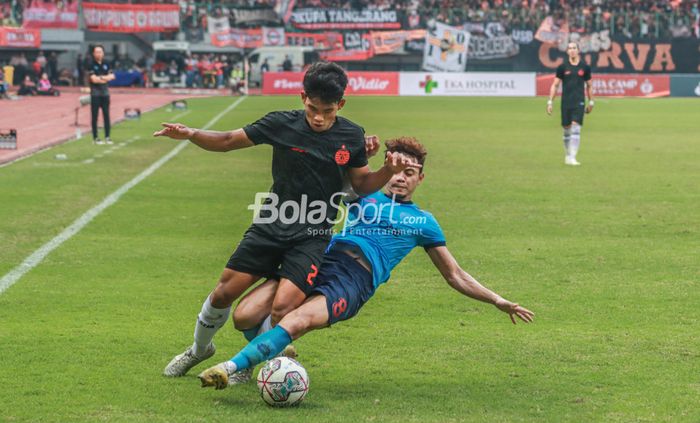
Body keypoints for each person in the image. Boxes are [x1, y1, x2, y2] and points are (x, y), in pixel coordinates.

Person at [197, 137, 535, 389]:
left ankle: (229, 369)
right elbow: (334, 165)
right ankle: (265, 357)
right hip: (320, 257)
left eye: (411, 172)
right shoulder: (364, 194)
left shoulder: (423, 222)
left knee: (297, 320)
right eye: (398, 170)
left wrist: (496, 299)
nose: (401, 177)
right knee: (244, 315)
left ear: (420, 179)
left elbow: (455, 275)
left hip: (354, 280)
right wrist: (360, 151)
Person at [153, 61, 418, 379]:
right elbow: (226, 141)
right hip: (271, 225)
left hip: (313, 234)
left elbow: (361, 184)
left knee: (283, 308)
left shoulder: (351, 134)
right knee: (224, 293)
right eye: (313, 108)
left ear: (341, 105)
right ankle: (199, 350)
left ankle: (249, 365)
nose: (319, 117)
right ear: (302, 97)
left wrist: (386, 171)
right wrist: (191, 133)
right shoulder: (280, 124)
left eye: (328, 110)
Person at [546, 41, 594, 166]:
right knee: (567, 130)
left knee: (576, 128)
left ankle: (573, 157)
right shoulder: (562, 67)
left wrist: (591, 102)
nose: (572, 50)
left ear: (578, 50)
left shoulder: (585, 67)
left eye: (574, 48)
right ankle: (568, 155)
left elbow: (589, 86)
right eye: (570, 48)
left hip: (579, 102)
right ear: (567, 51)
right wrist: (550, 102)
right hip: (566, 103)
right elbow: (555, 85)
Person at [88, 45, 115, 145]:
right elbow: (93, 79)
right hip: (95, 94)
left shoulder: (107, 63)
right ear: (94, 53)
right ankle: (95, 138)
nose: (98, 54)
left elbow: (112, 76)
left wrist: (100, 78)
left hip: (105, 94)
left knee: (106, 116)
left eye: (100, 52)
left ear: (103, 53)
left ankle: (107, 137)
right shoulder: (91, 64)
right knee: (95, 117)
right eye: (96, 52)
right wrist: (105, 78)